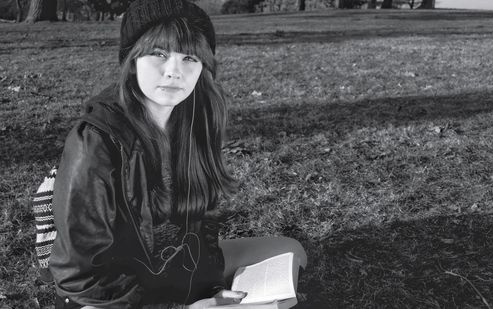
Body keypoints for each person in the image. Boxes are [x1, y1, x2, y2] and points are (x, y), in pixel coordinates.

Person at [49, 0, 307, 308]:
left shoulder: (194, 120)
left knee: (291, 250)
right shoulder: (96, 142)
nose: (174, 72)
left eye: (189, 57)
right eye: (159, 53)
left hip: (176, 266)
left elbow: (204, 226)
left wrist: (210, 288)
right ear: (132, 60)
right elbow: (80, 277)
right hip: (111, 294)